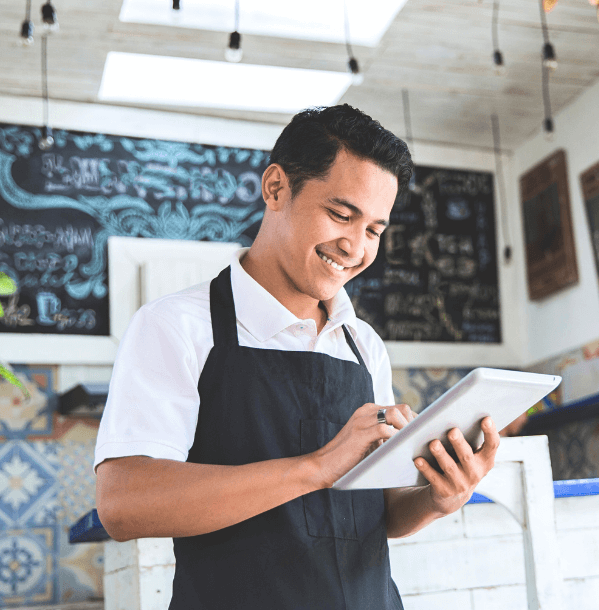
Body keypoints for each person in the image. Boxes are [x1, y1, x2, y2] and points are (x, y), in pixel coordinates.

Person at [94, 104, 501, 610]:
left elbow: (378, 514)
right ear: (276, 188)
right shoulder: (175, 326)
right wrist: (315, 467)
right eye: (340, 214)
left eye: (374, 229)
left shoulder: (363, 345)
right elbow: (123, 504)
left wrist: (441, 497)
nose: (354, 247)